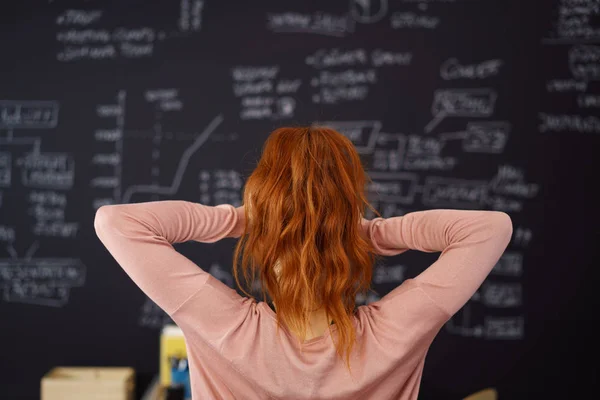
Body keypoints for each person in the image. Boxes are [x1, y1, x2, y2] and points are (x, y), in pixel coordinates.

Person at [94, 126, 513, 399]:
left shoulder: (225, 328)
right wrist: (365, 232)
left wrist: (248, 220)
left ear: (266, 248)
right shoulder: (395, 333)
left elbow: (115, 222)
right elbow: (490, 229)